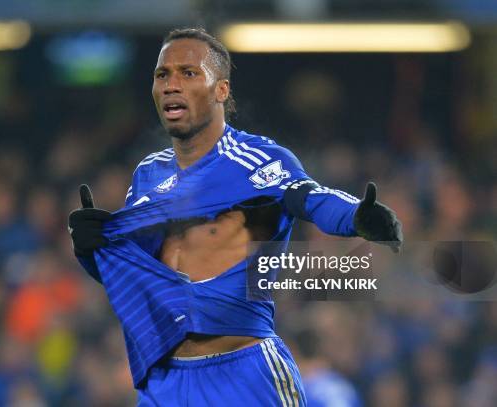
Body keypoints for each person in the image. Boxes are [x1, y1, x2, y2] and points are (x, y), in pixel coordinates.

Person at [68, 28, 402, 406]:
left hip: (244, 376)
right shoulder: (148, 174)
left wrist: (358, 216)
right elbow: (141, 277)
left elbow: (312, 199)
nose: (171, 85)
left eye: (188, 73)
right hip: (166, 383)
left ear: (221, 91)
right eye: (163, 75)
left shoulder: (256, 159)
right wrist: (94, 250)